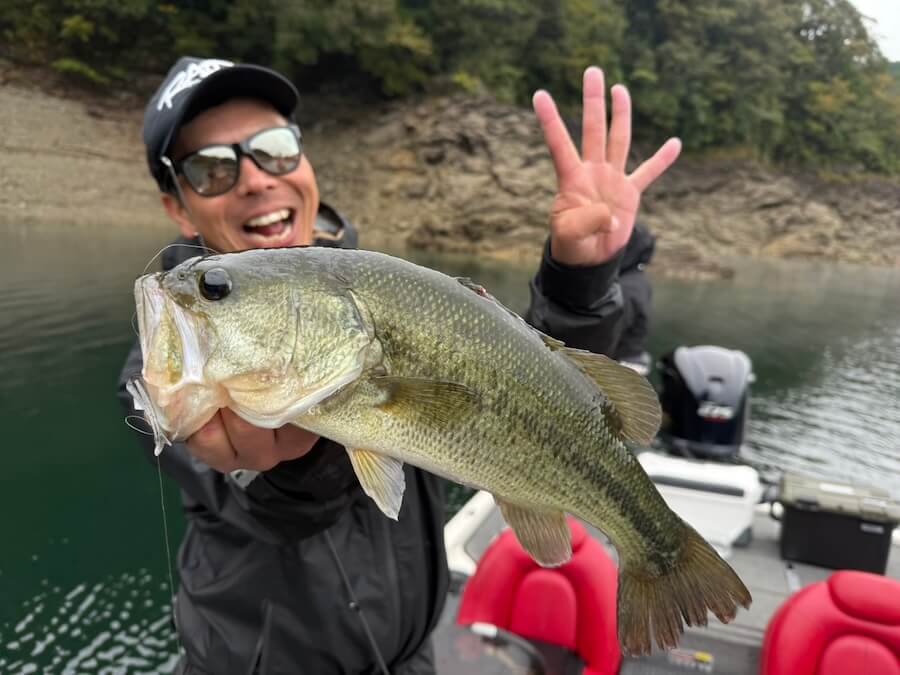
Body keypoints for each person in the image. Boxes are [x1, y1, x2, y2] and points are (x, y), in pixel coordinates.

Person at [117, 56, 680, 675]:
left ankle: (662, 551)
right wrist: (301, 461)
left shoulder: (391, 290)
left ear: (304, 163)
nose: (254, 180)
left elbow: (527, 389)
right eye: (212, 168)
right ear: (177, 206)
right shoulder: (169, 371)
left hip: (415, 659)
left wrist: (581, 278)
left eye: (274, 148)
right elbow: (274, 511)